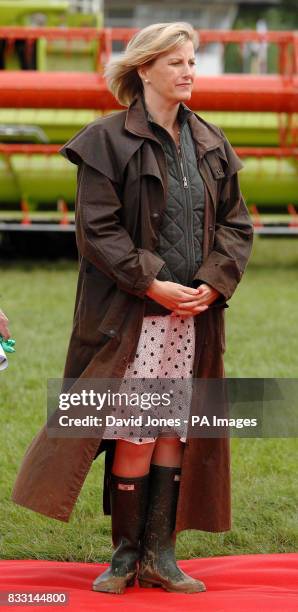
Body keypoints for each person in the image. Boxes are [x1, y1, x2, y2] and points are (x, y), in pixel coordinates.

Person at [11, 22, 253, 596]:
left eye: (192, 61)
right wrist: (154, 285)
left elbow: (237, 228)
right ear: (144, 69)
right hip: (130, 319)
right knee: (136, 433)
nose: (189, 71)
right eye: (176, 63)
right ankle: (125, 557)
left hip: (193, 319)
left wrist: (212, 285)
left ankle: (160, 557)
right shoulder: (104, 141)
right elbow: (97, 232)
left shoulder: (214, 144)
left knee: (173, 432)